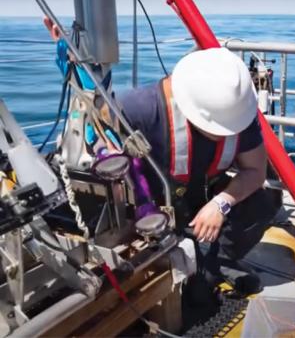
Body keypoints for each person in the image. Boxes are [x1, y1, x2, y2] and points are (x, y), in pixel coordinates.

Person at [43, 18, 281, 298]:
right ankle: (185, 259)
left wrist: (221, 204)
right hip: (153, 205)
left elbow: (255, 171)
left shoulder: (239, 111)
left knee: (265, 200)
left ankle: (217, 261)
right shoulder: (140, 108)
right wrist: (70, 55)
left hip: (202, 194)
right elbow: (93, 120)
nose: (226, 131)